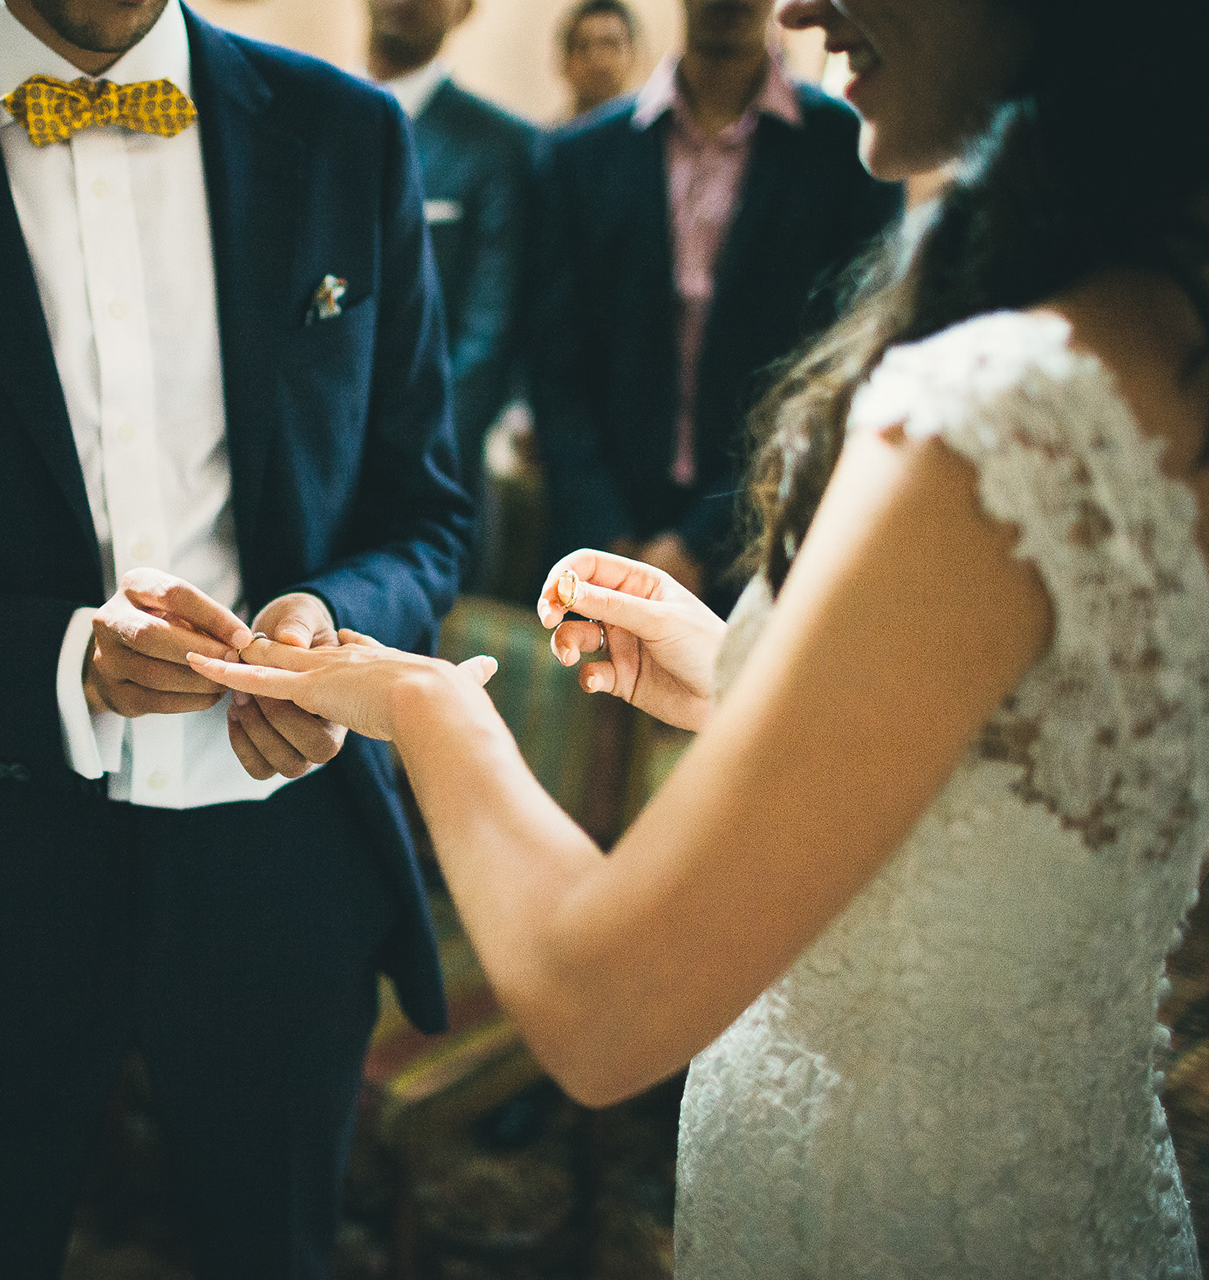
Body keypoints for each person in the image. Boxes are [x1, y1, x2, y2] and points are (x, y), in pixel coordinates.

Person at [188, 0, 1209, 1269]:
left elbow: (602, 1013)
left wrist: (429, 704)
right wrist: (741, 674)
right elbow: (1031, 770)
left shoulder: (999, 415)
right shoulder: (1168, 337)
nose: (798, 7)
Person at [0, 0, 472, 1274]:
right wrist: (60, 666)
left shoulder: (348, 134)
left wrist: (332, 630)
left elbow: (427, 516)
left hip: (287, 864)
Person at [530, 0, 899, 613]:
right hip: (597, 540)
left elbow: (843, 363)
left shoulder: (849, 148)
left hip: (767, 533)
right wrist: (610, 537)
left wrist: (697, 545)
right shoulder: (578, 157)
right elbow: (554, 366)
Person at [366, 0, 532, 539]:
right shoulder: (319, 124)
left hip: (428, 475)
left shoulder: (501, 146)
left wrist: (412, 457)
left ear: (464, 9)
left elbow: (488, 334)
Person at [554, 0, 636, 119]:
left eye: (610, 45)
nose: (599, 61)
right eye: (584, 47)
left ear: (632, 55)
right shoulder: (551, 136)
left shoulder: (658, 134)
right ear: (565, 62)